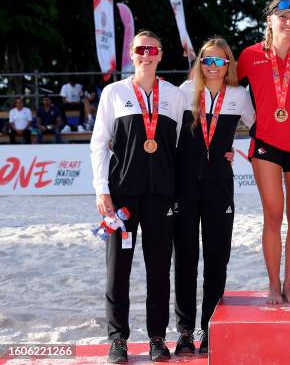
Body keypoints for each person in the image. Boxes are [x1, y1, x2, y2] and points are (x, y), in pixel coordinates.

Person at [90, 30, 185, 363]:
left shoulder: (174, 96)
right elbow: (99, 143)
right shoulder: (114, 92)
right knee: (118, 270)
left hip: (161, 195)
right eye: (140, 49)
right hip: (122, 197)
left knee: (158, 269)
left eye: (153, 49)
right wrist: (102, 188)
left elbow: (182, 146)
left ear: (160, 55)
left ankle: (157, 338)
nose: (147, 54)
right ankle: (118, 340)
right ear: (131, 54)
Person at [173, 38, 255, 355]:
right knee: (185, 260)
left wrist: (242, 152)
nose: (213, 66)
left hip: (220, 184)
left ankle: (209, 330)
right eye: (208, 60)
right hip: (185, 186)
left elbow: (259, 127)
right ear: (200, 63)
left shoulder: (238, 95)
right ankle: (183, 333)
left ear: (228, 65)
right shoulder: (182, 91)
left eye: (220, 61)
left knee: (217, 259)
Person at [238, 0, 290, 305]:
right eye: (282, 17)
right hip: (266, 145)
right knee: (273, 215)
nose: (288, 22)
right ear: (269, 19)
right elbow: (223, 86)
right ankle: (273, 284)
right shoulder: (249, 55)